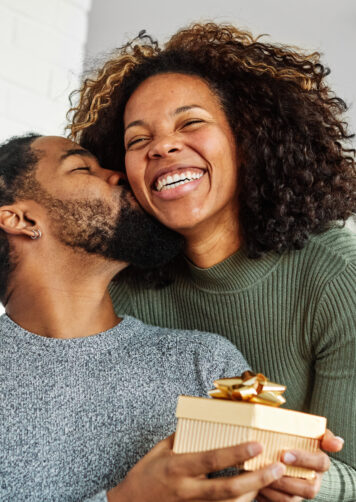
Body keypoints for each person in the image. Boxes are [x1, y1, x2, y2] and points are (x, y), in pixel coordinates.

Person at [63, 23, 355, 501]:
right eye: (138, 140)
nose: (161, 146)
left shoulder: (337, 276)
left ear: (248, 137)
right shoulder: (119, 283)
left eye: (190, 122)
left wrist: (316, 484)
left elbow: (351, 471)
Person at [0, 133, 294, 501]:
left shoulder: (212, 361)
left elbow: (279, 470)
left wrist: (288, 475)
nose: (117, 175)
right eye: (81, 167)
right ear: (22, 219)